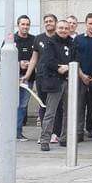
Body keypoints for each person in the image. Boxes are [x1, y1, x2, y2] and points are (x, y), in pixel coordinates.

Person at [24, 14, 62, 144]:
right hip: (41, 77)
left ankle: (55, 133)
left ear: (55, 23)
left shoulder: (60, 38)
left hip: (56, 77)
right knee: (43, 105)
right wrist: (27, 75)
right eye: (46, 21)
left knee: (56, 106)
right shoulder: (38, 39)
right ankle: (45, 132)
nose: (48, 23)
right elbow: (34, 58)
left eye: (51, 21)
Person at [39, 20, 76, 151]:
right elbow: (48, 60)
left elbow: (76, 59)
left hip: (69, 80)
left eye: (66, 28)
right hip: (55, 81)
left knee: (69, 112)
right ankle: (45, 140)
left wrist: (69, 66)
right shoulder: (50, 42)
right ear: (56, 28)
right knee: (51, 112)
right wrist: (58, 67)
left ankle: (65, 138)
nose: (63, 30)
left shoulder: (72, 43)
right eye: (61, 28)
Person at [7, 15, 35, 141]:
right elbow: (2, 58)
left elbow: (38, 57)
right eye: (23, 24)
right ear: (18, 25)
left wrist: (30, 64)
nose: (25, 27)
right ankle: (9, 131)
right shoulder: (11, 39)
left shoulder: (34, 39)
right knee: (12, 104)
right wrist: (19, 63)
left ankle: (18, 132)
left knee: (23, 105)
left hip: (28, 77)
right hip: (13, 77)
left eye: (27, 24)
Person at [74, 13, 92, 140]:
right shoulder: (78, 39)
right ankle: (79, 133)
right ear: (85, 24)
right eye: (90, 23)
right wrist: (81, 74)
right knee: (80, 106)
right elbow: (74, 59)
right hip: (81, 77)